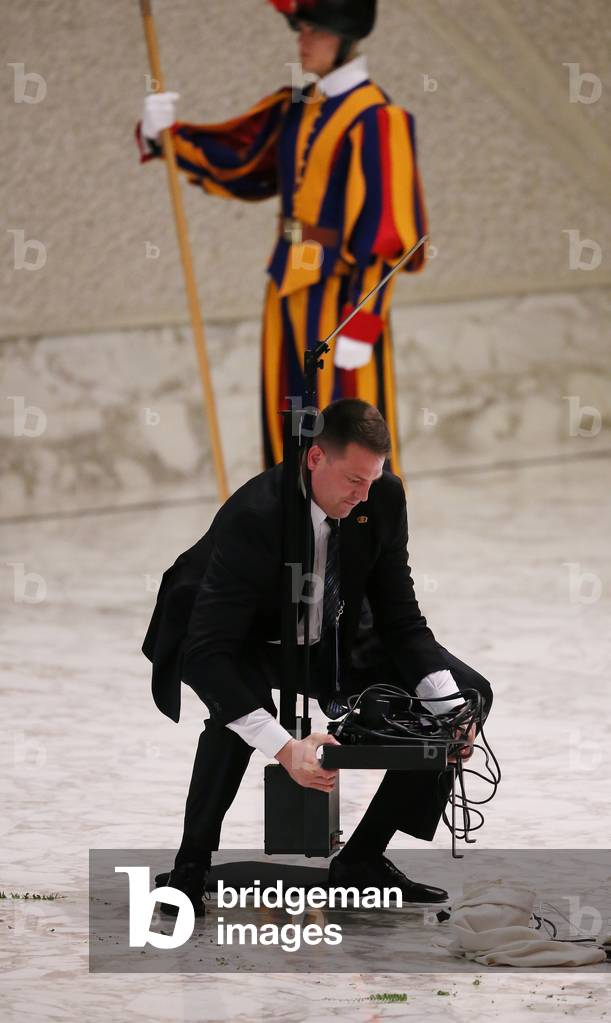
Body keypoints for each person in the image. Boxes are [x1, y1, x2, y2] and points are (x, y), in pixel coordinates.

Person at [142, 398, 494, 914]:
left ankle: (362, 859)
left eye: (373, 479)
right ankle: (191, 866)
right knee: (236, 708)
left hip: (328, 632)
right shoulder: (255, 515)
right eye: (354, 479)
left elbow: (400, 619)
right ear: (315, 459)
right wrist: (286, 749)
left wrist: (450, 717)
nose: (364, 494)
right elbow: (208, 653)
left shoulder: (382, 498)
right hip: (233, 635)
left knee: (465, 695)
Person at [136, 0, 428, 474]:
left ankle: (357, 543)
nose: (303, 40)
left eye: (315, 30)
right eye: (301, 28)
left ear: (346, 36)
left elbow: (389, 234)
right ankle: (291, 535)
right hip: (286, 285)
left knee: (346, 432)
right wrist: (166, 136)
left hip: (342, 299)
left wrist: (364, 321)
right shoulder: (297, 107)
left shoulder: (378, 119)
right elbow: (240, 163)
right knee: (291, 423)